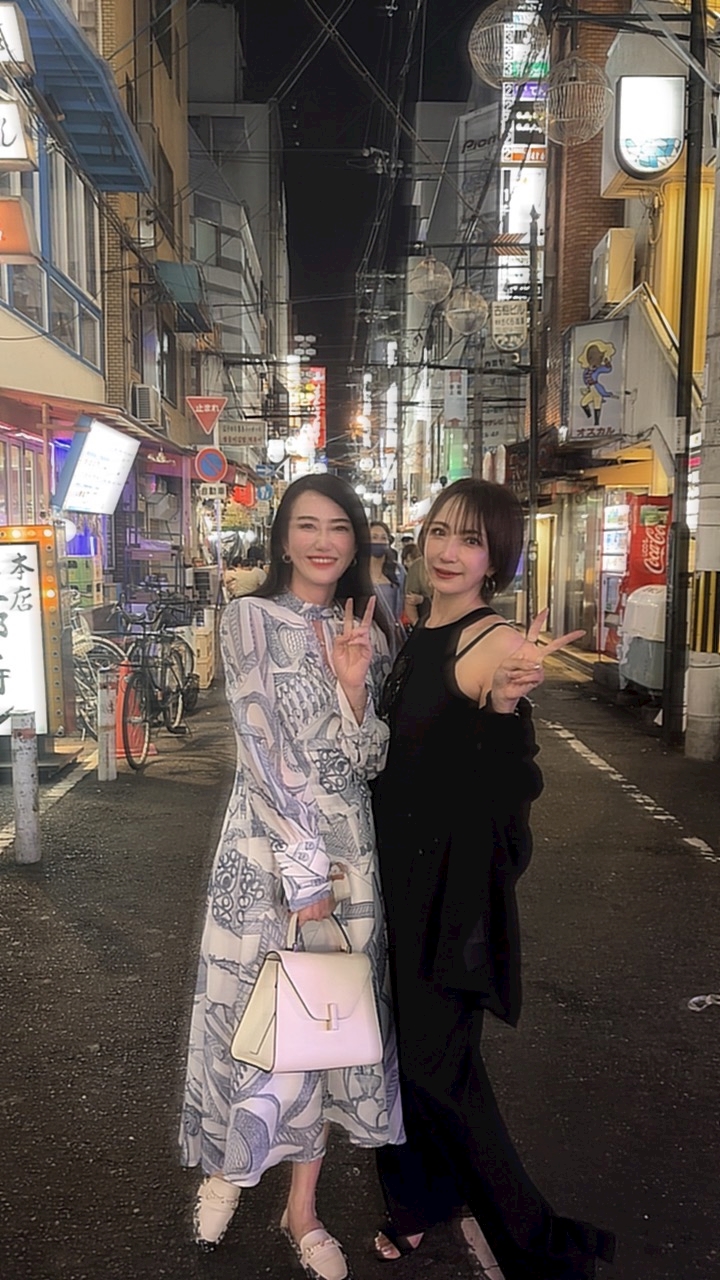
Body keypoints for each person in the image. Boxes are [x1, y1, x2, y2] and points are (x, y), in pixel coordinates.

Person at [371, 478, 616, 1279]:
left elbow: (512, 792)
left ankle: (540, 1248)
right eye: (441, 532)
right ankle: (420, 1202)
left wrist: (507, 709)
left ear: (496, 558)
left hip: (447, 896)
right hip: (398, 881)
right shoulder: (421, 628)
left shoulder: (494, 643)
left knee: (441, 1074)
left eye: (471, 540)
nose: (449, 551)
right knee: (403, 1058)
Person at [180, 474, 404, 1279]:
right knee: (254, 1013)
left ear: (356, 540)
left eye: (338, 527)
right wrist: (305, 876)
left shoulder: (370, 629)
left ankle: (301, 1209)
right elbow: (262, 749)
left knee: (323, 1022)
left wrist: (353, 686)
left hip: (351, 854)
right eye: (306, 525)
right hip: (269, 853)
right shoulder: (249, 617)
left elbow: (368, 760)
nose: (322, 542)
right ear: (282, 538)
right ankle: (229, 1169)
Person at [369, 521, 405, 649]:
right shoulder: (357, 573)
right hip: (369, 636)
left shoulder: (398, 571)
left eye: (383, 538)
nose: (379, 541)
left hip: (394, 635)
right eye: (374, 537)